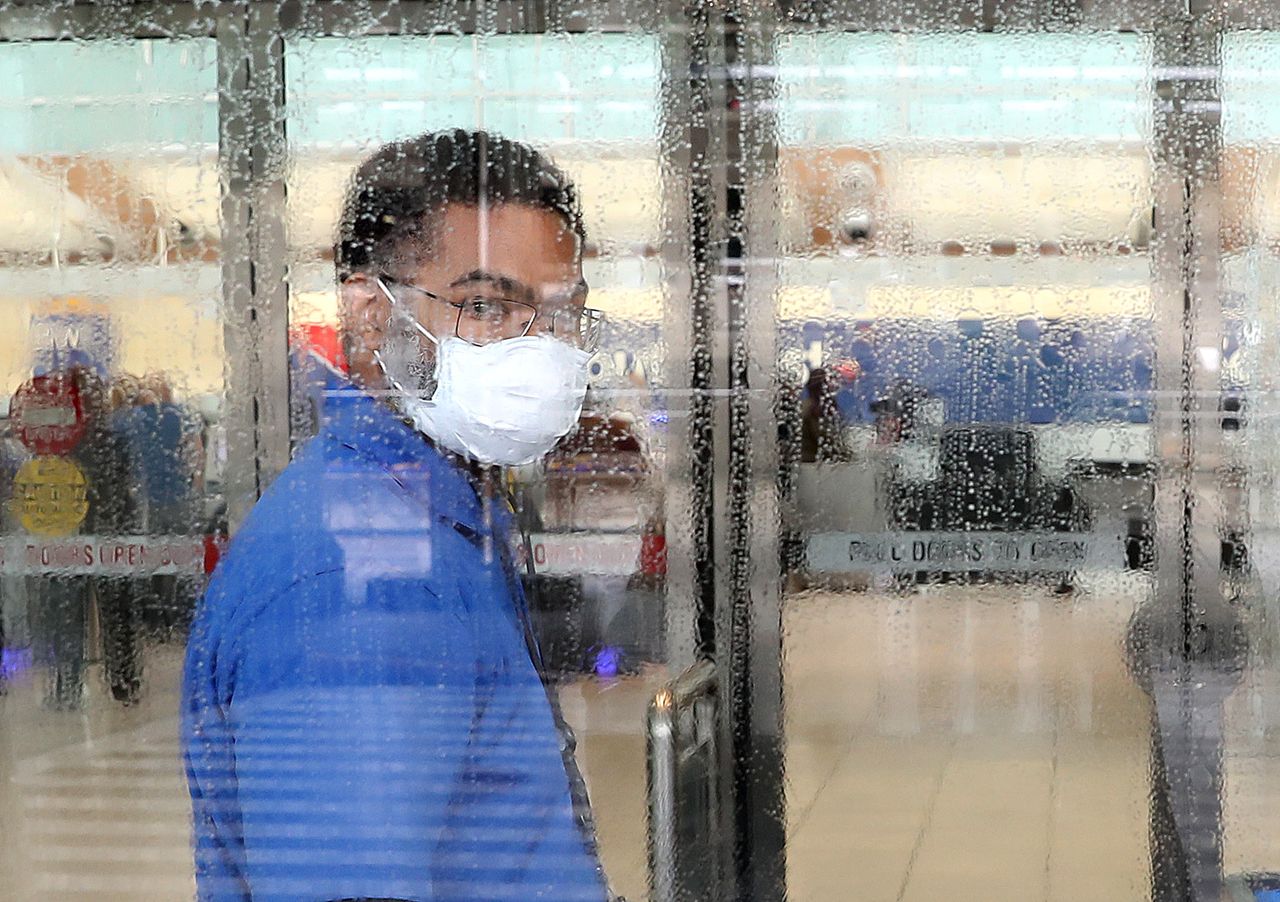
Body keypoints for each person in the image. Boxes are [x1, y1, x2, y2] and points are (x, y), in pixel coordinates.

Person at [183, 129, 612, 902]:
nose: (541, 349)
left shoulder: (443, 515)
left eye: (561, 313)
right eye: (487, 306)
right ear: (370, 314)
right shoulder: (360, 576)